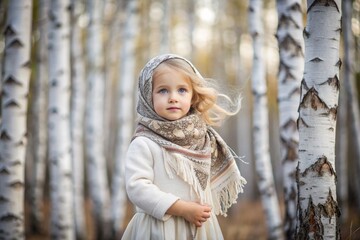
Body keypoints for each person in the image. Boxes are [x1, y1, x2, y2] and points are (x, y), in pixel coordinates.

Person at [121, 54, 246, 240]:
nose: (173, 98)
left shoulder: (203, 138)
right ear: (148, 96)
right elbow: (137, 188)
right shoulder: (144, 142)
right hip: (160, 228)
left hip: (199, 228)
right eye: (163, 91)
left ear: (193, 96)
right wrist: (182, 208)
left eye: (181, 90)